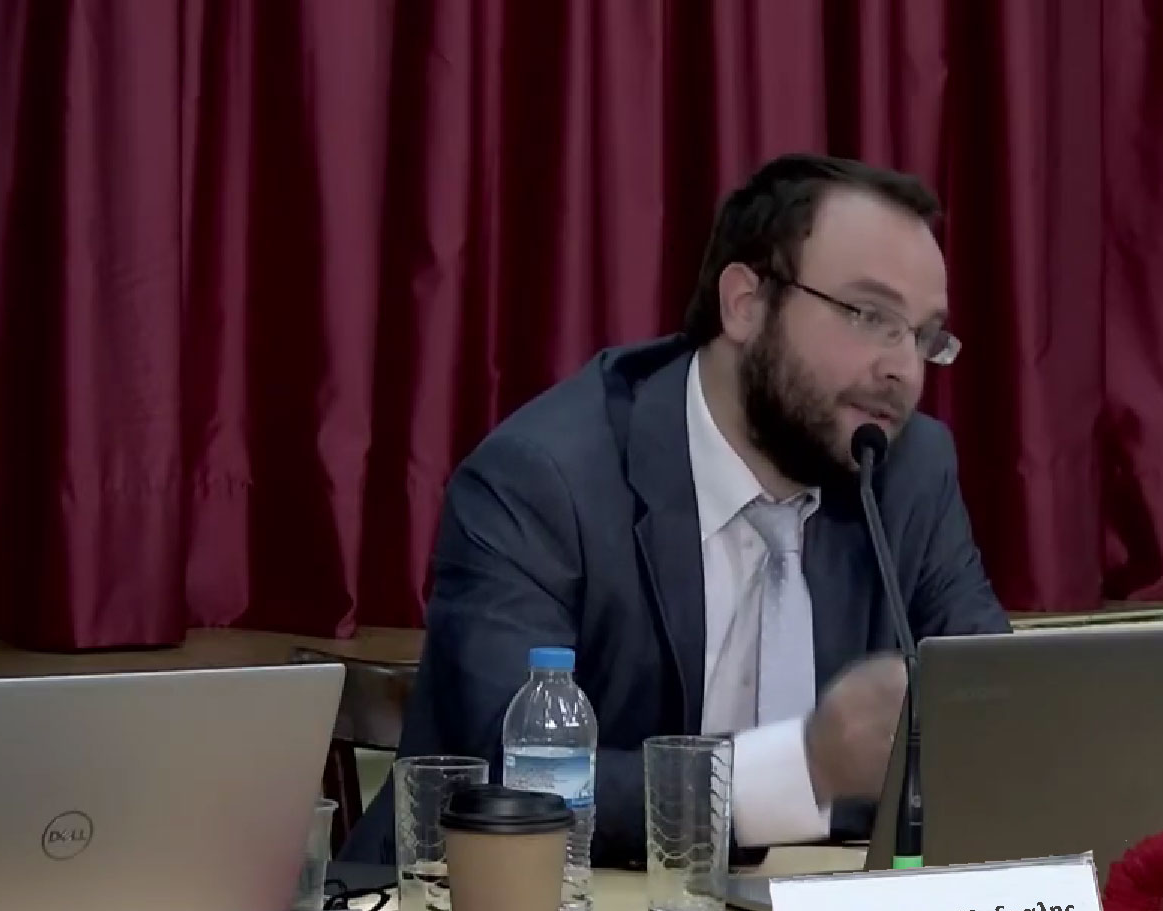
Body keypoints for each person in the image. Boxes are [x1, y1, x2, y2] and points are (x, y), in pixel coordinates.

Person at [344, 153, 1009, 869]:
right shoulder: (545, 480)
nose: (903, 369)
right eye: (868, 315)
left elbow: (1001, 709)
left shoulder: (906, 469)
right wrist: (803, 767)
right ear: (745, 304)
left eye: (922, 335)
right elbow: (510, 781)